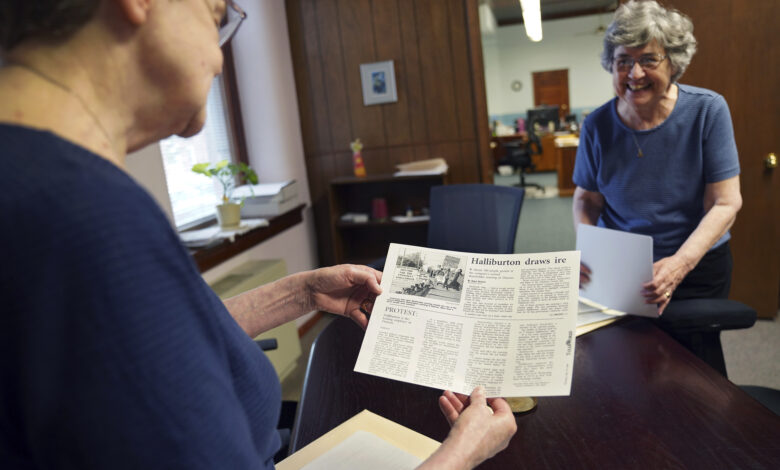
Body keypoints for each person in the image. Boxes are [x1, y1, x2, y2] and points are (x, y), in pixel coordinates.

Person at [0, 1, 516, 468]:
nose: (222, 58)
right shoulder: (91, 222)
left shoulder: (36, 187)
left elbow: (166, 339)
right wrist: (461, 454)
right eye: (215, 13)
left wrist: (302, 292)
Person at [572, 0, 742, 315]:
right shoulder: (597, 126)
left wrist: (680, 264)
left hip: (696, 264)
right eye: (623, 61)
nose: (635, 73)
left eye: (649, 59)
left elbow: (725, 203)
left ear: (673, 63)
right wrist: (585, 249)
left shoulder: (707, 111)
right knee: (628, 356)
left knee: (696, 357)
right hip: (624, 268)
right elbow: (587, 201)